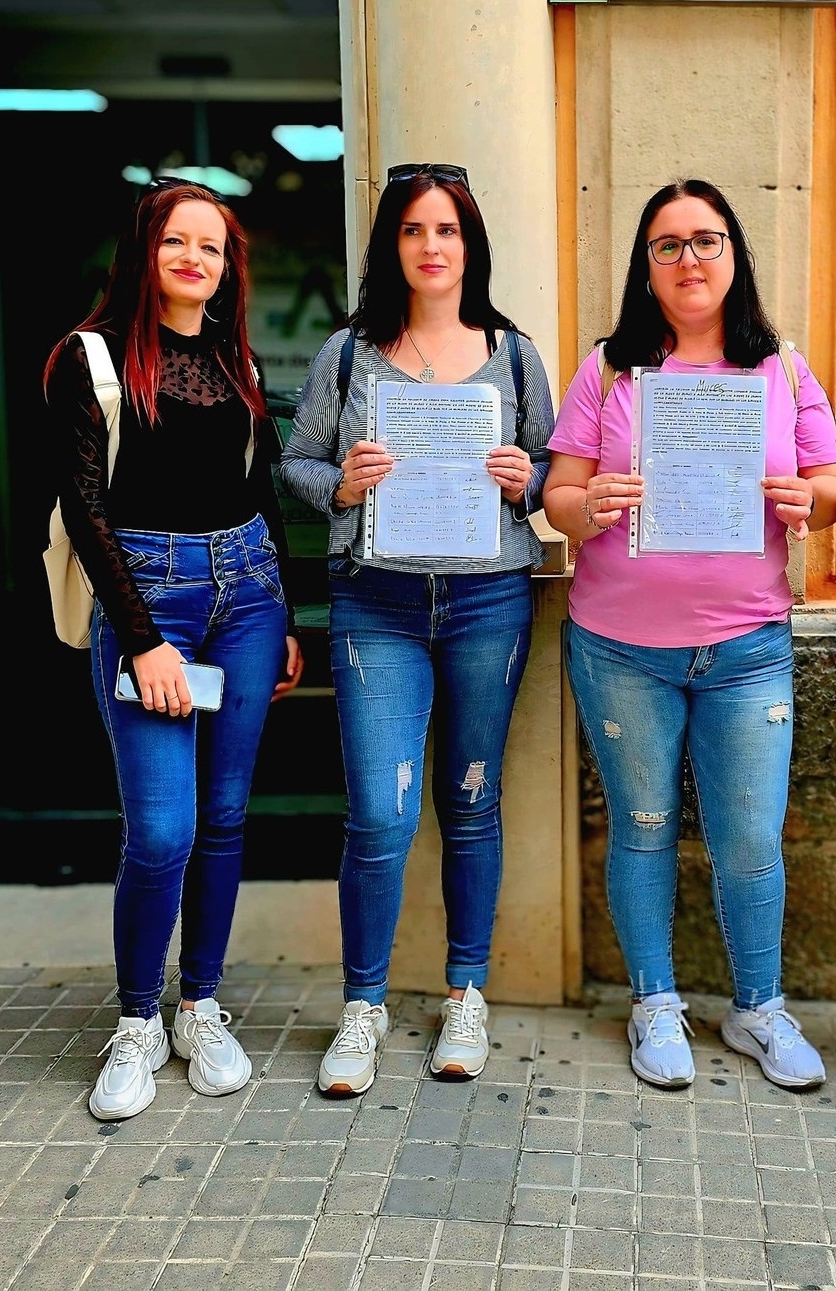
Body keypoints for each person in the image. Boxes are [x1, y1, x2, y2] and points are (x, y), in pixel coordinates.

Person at [542, 179, 836, 1092]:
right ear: (646, 265)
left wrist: (812, 503)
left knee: (748, 836)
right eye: (667, 245)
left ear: (734, 255)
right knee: (643, 828)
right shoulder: (607, 370)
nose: (688, 260)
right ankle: (654, 1000)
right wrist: (586, 504)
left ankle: (757, 1006)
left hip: (746, 646)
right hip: (620, 645)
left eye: (705, 241)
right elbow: (557, 498)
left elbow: (830, 483)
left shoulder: (782, 369)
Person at [280, 163, 555, 1096]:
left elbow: (553, 479)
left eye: (447, 229)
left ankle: (466, 992)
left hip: (487, 603)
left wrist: (527, 476)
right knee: (381, 814)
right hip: (376, 606)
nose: (431, 246)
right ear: (389, 246)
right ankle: (363, 1006)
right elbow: (297, 465)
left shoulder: (514, 357)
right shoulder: (349, 354)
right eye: (412, 230)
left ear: (469, 245)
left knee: (471, 801)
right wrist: (344, 486)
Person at [44, 178, 305, 1122]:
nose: (197, 260)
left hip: (248, 595)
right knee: (162, 831)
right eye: (177, 243)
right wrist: (145, 639)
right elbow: (86, 506)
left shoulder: (234, 356)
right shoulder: (90, 357)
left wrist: (288, 620)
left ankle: (199, 1005)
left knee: (226, 817)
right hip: (144, 595)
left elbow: (259, 488)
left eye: (215, 247)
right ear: (144, 251)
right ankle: (136, 1020)